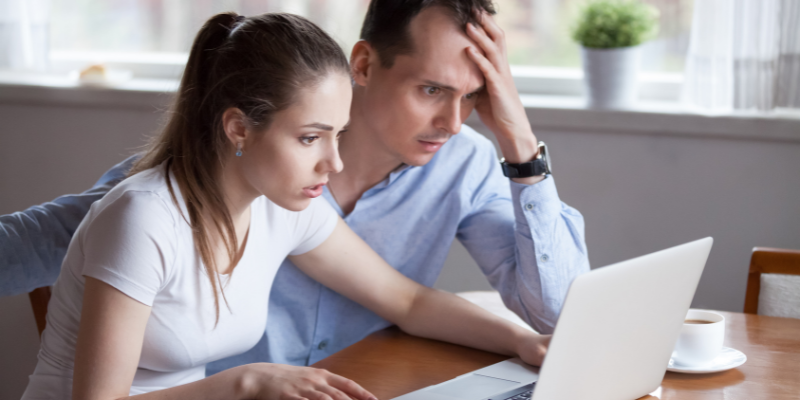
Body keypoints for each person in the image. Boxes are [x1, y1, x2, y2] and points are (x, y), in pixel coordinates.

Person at [1, 0, 589, 374]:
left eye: (475, 97)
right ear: (363, 66)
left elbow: (415, 302)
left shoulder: (301, 204)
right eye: (433, 89)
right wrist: (246, 385)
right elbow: (32, 245)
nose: (456, 122)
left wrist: (522, 343)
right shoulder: (153, 204)